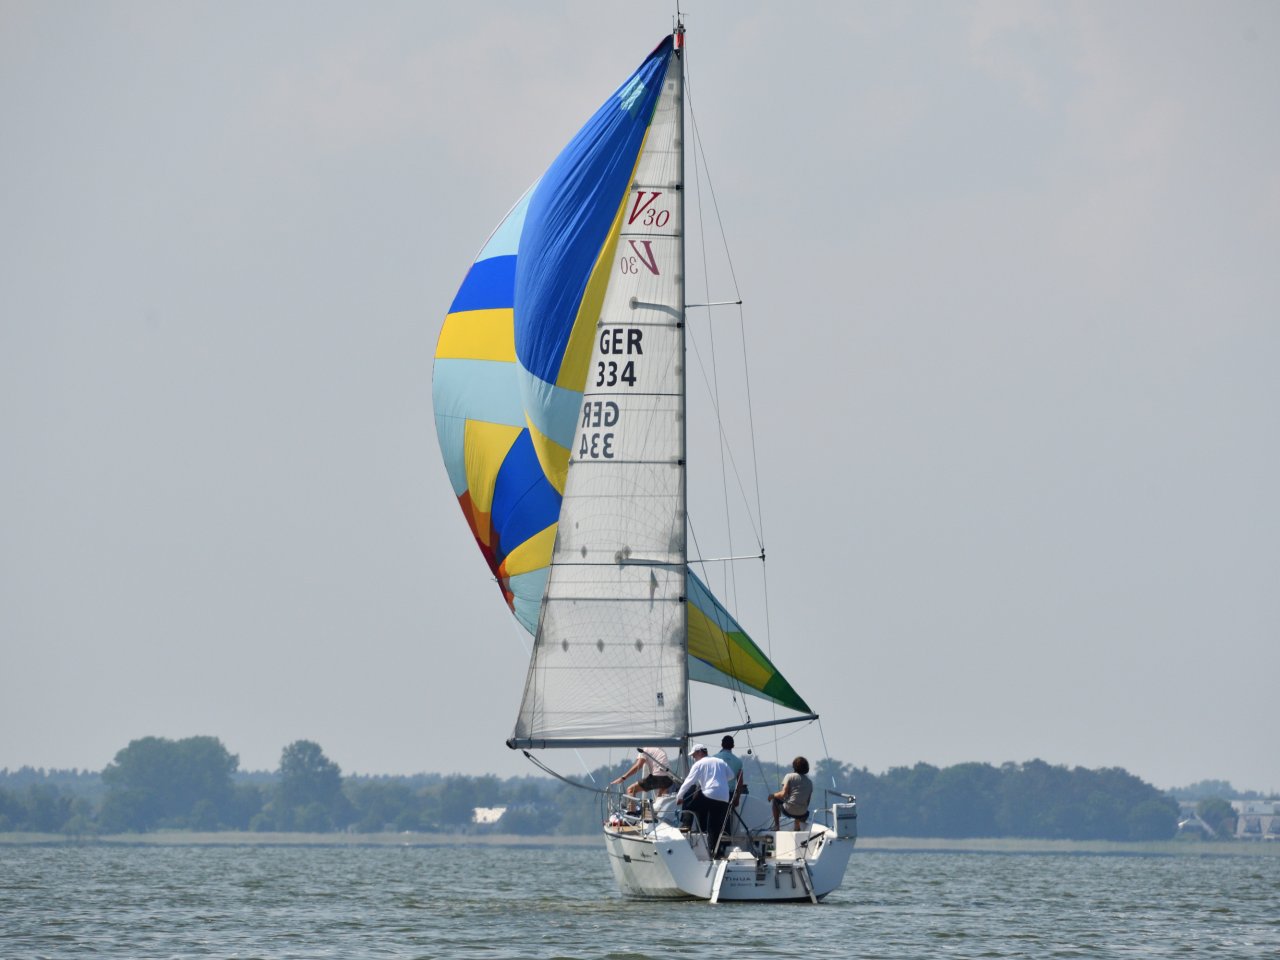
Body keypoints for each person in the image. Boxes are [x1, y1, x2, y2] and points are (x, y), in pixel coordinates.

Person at [674, 743, 733, 847]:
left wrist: (679, 797)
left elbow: (689, 782)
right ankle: (714, 850)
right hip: (724, 797)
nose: (694, 758)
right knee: (714, 826)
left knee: (689, 805)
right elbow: (731, 776)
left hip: (710, 794)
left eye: (694, 755)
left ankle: (686, 825)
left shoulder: (699, 764)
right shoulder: (720, 761)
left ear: (700, 752)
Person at [770, 756, 813, 831]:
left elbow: (783, 794)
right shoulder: (809, 782)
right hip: (802, 814)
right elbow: (807, 801)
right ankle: (797, 825)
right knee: (804, 810)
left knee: (776, 800)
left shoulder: (789, 776)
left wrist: (772, 795)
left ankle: (776, 826)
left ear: (794, 766)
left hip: (789, 810)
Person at [714, 735, 745, 804]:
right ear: (733, 746)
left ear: (721, 744)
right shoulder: (738, 762)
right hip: (729, 794)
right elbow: (740, 782)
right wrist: (737, 799)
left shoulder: (713, 758)